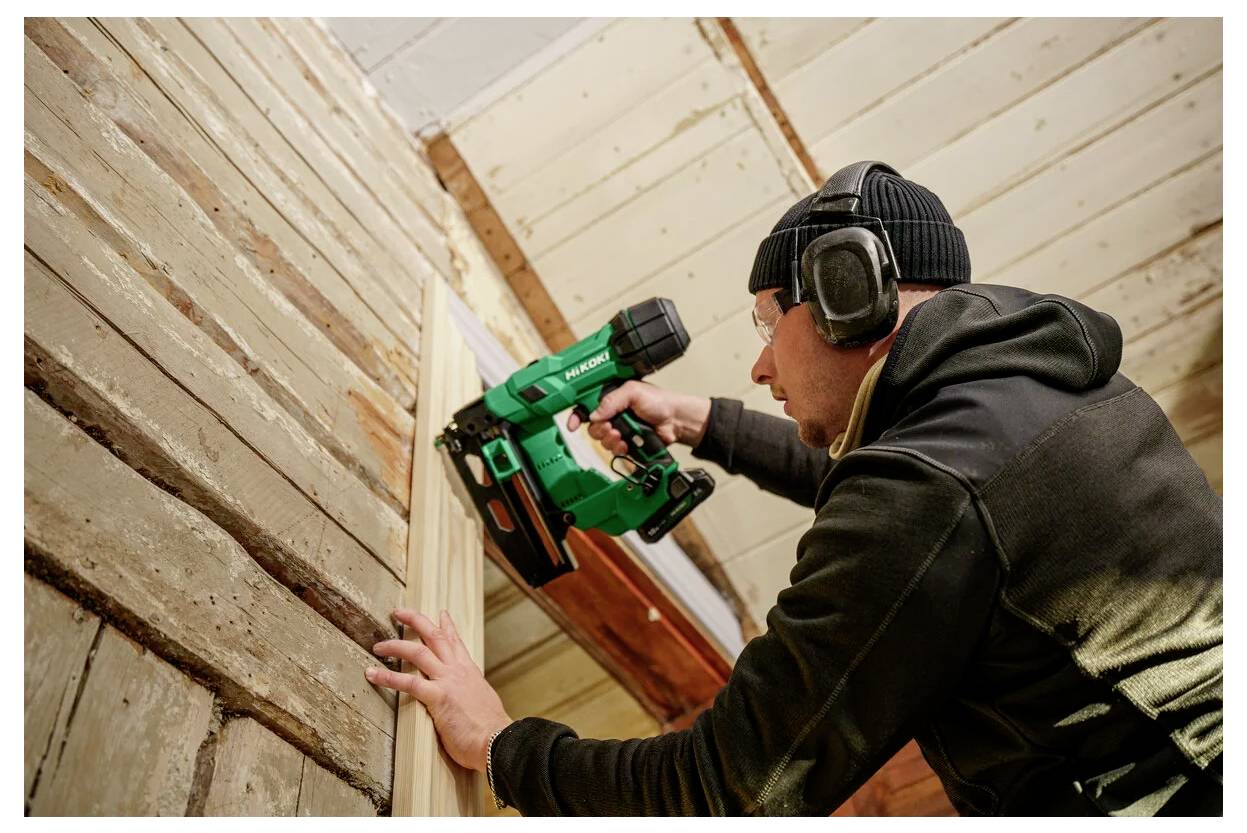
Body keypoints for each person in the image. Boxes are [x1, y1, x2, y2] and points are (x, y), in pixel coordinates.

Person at [365, 162, 1223, 816]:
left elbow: (730, 788)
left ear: (847, 294)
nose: (762, 363)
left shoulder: (926, 495)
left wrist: (500, 744)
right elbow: (914, 492)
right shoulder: (1042, 382)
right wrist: (705, 420)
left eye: (771, 327)